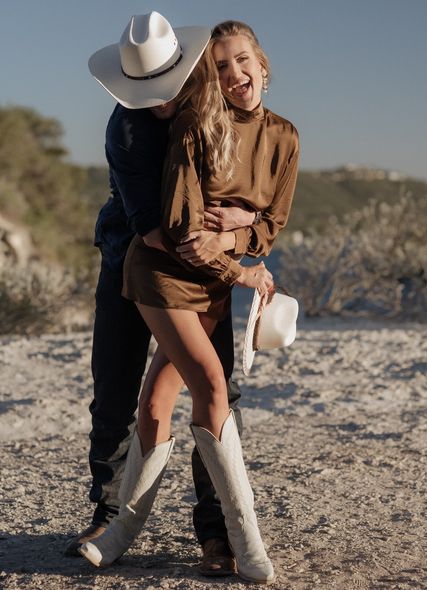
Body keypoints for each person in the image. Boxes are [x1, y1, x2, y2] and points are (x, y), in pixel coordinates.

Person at [80, 19, 299, 584]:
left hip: (209, 279)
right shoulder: (147, 130)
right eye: (221, 65)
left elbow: (268, 224)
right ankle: (129, 521)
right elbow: (166, 231)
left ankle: (200, 534)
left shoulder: (272, 134)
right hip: (145, 263)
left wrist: (240, 229)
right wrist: (240, 268)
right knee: (135, 391)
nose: (233, 73)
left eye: (242, 61)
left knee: (161, 399)